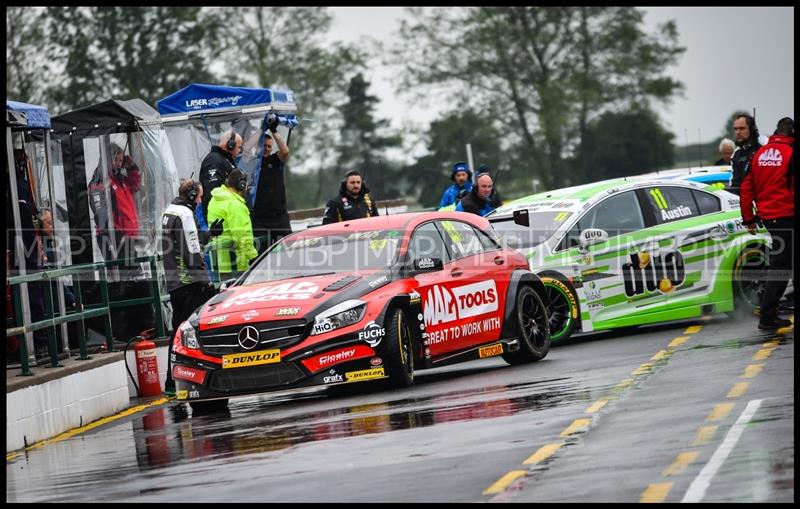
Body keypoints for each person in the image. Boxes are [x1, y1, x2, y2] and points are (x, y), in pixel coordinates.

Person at [160, 178, 224, 393]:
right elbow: (192, 253)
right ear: (191, 195)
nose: (200, 200)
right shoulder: (186, 214)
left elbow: (185, 241)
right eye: (199, 196)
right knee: (196, 331)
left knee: (177, 332)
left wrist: (209, 234)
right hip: (190, 284)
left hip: (175, 283)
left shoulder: (169, 211)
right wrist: (205, 281)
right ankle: (203, 378)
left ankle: (171, 381)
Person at [740, 117, 794, 330]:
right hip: (787, 214)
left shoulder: (758, 154)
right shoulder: (790, 153)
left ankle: (769, 313)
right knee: (782, 267)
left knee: (783, 263)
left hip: (769, 218)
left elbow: (746, 189)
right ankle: (767, 315)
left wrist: (749, 219)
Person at [88, 143, 142, 263]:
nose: (118, 163)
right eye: (115, 160)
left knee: (134, 274)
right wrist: (111, 234)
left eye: (120, 160)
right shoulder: (100, 179)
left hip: (127, 235)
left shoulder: (118, 178)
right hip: (115, 236)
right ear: (107, 158)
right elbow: (100, 210)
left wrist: (131, 167)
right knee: (124, 275)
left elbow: (135, 185)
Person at [207, 169, 259, 280]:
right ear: (241, 185)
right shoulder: (234, 205)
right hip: (236, 264)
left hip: (219, 264)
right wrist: (254, 258)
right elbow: (242, 236)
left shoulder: (215, 199)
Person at [251, 127, 291, 254]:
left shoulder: (274, 160)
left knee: (288, 250)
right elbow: (246, 148)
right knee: (261, 254)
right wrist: (261, 129)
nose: (267, 149)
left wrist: (273, 130)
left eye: (269, 146)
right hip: (259, 218)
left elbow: (284, 151)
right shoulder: (250, 163)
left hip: (279, 216)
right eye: (264, 145)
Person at [199, 130, 242, 222]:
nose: (239, 151)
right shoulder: (214, 161)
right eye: (239, 147)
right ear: (231, 144)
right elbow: (213, 191)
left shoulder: (224, 160)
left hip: (228, 215)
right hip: (222, 219)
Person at [729, 113, 763, 195]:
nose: (738, 132)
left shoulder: (763, 150)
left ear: (751, 129)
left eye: (742, 128)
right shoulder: (736, 153)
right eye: (736, 129)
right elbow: (735, 183)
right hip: (743, 199)